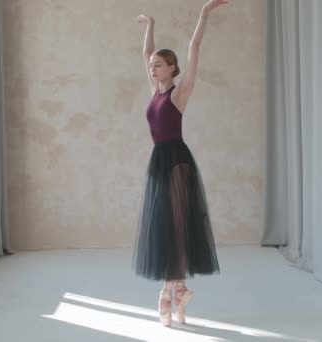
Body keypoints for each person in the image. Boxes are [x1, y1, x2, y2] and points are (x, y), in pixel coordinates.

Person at [133, 0, 227, 327]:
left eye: (159, 65)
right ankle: (180, 289)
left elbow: (194, 47)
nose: (152, 67)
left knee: (176, 226)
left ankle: (168, 291)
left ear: (172, 69)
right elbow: (145, 53)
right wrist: (150, 26)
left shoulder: (179, 93)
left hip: (176, 162)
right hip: (159, 160)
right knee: (164, 226)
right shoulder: (154, 91)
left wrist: (203, 14)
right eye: (152, 65)